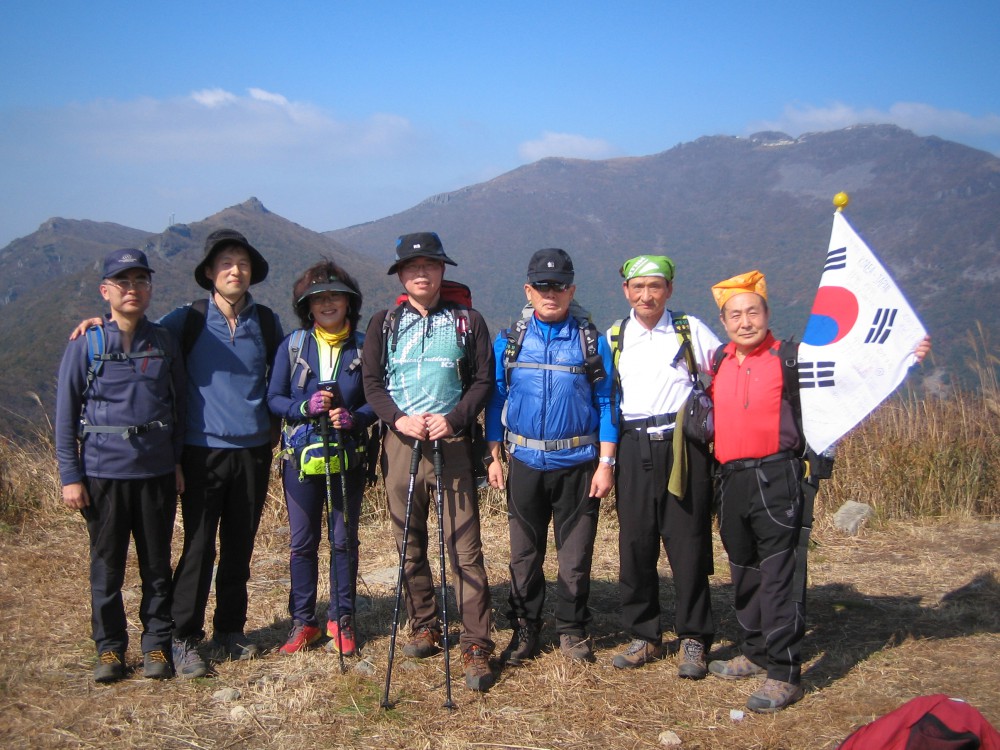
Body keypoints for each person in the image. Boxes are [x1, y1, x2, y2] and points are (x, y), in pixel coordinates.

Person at [706, 270, 929, 713]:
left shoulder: (792, 358)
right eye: (735, 315)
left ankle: (784, 673)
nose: (745, 322)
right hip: (730, 480)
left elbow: (853, 369)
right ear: (724, 321)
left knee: (779, 575)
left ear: (767, 314)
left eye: (753, 312)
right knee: (743, 570)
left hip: (777, 476)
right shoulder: (718, 360)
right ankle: (754, 651)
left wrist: (905, 352)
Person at [69, 228, 281, 677]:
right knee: (199, 546)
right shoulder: (186, 320)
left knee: (240, 546)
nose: (235, 271)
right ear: (209, 273)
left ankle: (230, 629)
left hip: (253, 450)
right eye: (226, 263)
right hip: (201, 450)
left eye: (243, 263)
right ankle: (184, 636)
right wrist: (97, 323)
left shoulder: (266, 322)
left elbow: (281, 377)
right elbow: (135, 330)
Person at [361, 231, 496, 692]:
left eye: (430, 265)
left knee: (464, 547)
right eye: (413, 267)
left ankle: (476, 642)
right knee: (409, 541)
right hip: (401, 443)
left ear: (442, 271)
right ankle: (425, 624)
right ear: (401, 275)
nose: (422, 273)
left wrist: (454, 419)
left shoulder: (467, 321)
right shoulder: (383, 323)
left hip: (453, 443)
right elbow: (372, 382)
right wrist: (398, 419)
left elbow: (483, 380)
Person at [56, 249, 185, 683]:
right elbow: (65, 413)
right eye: (123, 282)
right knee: (107, 567)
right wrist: (70, 477)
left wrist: (177, 462)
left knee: (157, 566)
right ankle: (109, 648)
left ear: (150, 288)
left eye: (140, 281)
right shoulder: (87, 343)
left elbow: (179, 405)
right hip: (103, 474)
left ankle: (157, 644)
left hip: (156, 473)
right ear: (105, 290)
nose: (133, 289)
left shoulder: (164, 340)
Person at [485, 248, 617, 665]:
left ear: (571, 290)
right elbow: (496, 399)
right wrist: (493, 456)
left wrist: (607, 463)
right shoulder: (509, 342)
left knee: (574, 558)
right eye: (542, 286)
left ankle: (572, 629)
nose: (550, 293)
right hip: (525, 462)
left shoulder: (591, 342)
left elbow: (607, 403)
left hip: (578, 463)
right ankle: (525, 628)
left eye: (559, 286)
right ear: (529, 290)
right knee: (524, 555)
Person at [606, 255, 719, 676]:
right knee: (635, 543)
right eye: (638, 287)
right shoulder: (615, 336)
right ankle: (645, 635)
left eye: (655, 286)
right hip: (632, 444)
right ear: (626, 291)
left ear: (669, 289)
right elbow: (603, 396)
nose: (647, 295)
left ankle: (694, 637)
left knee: (688, 541)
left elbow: (726, 369)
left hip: (682, 445)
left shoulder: (689, 330)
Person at [267, 260, 374, 656]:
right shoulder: (293, 346)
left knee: (343, 541)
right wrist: (303, 407)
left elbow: (378, 400)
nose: (327, 303)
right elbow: (274, 398)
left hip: (347, 458)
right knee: (302, 543)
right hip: (301, 459)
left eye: (335, 296)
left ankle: (341, 619)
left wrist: (355, 418)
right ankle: (304, 622)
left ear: (349, 302)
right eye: (318, 298)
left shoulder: (364, 347)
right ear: (307, 306)